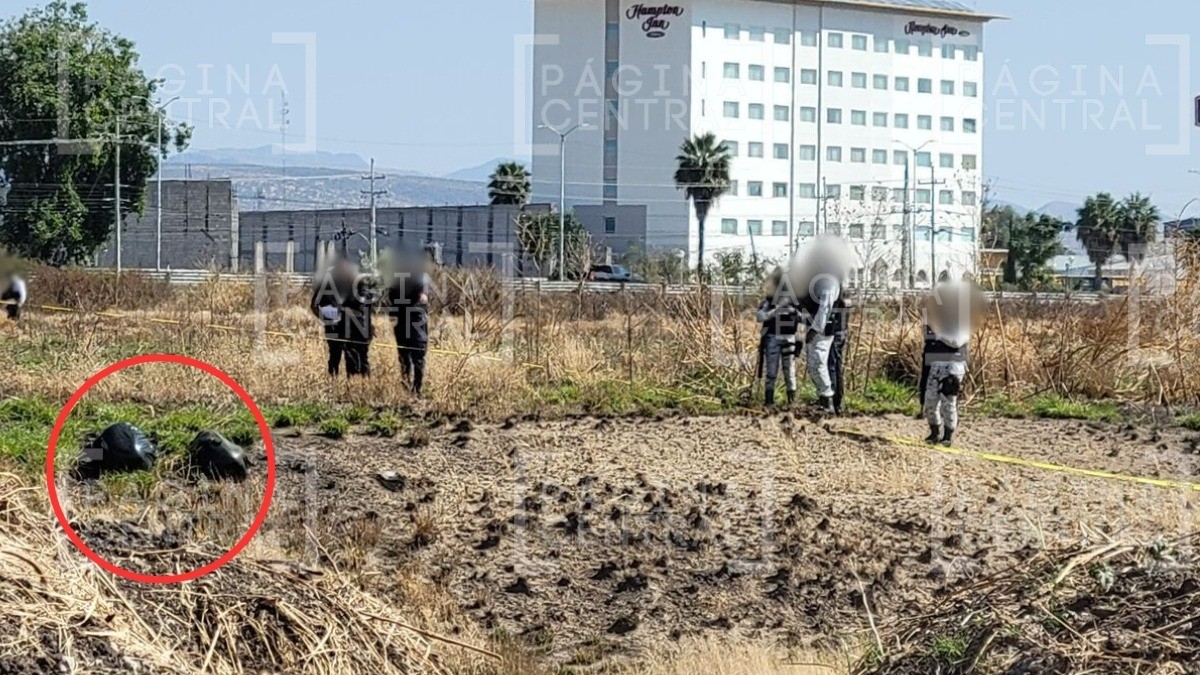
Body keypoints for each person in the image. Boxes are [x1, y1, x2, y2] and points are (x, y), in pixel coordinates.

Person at [920, 279, 977, 447]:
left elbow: (956, 340)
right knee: (930, 400)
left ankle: (948, 435)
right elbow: (927, 337)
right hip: (935, 361)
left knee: (948, 401)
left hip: (954, 364)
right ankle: (934, 432)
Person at [311, 258, 373, 378]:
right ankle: (334, 381)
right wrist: (325, 317)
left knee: (356, 356)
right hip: (334, 325)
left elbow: (364, 310)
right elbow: (314, 305)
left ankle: (358, 383)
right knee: (335, 355)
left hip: (354, 327)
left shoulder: (356, 287)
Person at [386, 248, 432, 396]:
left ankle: (410, 387)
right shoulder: (418, 279)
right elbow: (422, 298)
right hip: (415, 325)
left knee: (406, 359)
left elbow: (392, 301)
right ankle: (415, 389)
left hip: (405, 324)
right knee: (415, 358)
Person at [755, 267, 801, 407]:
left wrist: (793, 312)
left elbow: (804, 318)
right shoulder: (770, 300)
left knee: (788, 371)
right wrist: (776, 311)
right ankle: (770, 402)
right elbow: (760, 316)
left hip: (787, 337)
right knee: (773, 371)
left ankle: (789, 402)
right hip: (774, 337)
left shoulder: (794, 300)